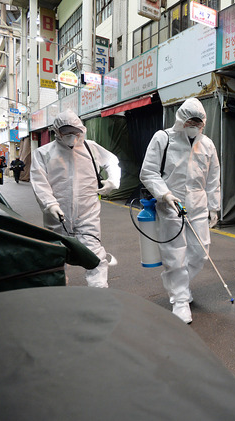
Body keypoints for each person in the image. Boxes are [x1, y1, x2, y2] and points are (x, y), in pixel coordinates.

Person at [140, 98, 221, 324]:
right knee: (174, 253)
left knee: (200, 251)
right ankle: (180, 299)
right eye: (191, 120)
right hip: (170, 204)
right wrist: (165, 194)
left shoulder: (207, 145)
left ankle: (181, 286)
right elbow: (148, 172)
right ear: (181, 119)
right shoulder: (163, 138)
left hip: (198, 203)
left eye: (199, 121)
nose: (195, 124)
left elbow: (214, 179)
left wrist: (214, 206)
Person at [30, 109, 121, 288]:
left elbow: (112, 161)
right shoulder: (44, 153)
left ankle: (99, 293)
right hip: (57, 216)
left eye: (74, 131)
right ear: (57, 132)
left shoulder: (91, 148)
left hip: (88, 213)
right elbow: (39, 182)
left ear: (82, 130)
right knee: (56, 255)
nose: (71, 136)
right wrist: (50, 204)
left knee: (94, 254)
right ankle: (60, 291)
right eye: (66, 132)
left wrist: (113, 181)